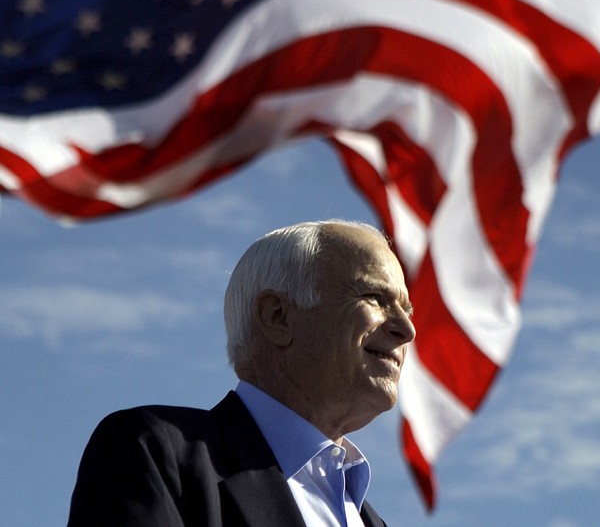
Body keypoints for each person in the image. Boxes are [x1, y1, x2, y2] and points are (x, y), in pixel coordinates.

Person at [67, 220, 416, 526]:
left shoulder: (370, 519)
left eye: (407, 309)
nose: (407, 329)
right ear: (278, 317)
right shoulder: (155, 455)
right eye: (374, 297)